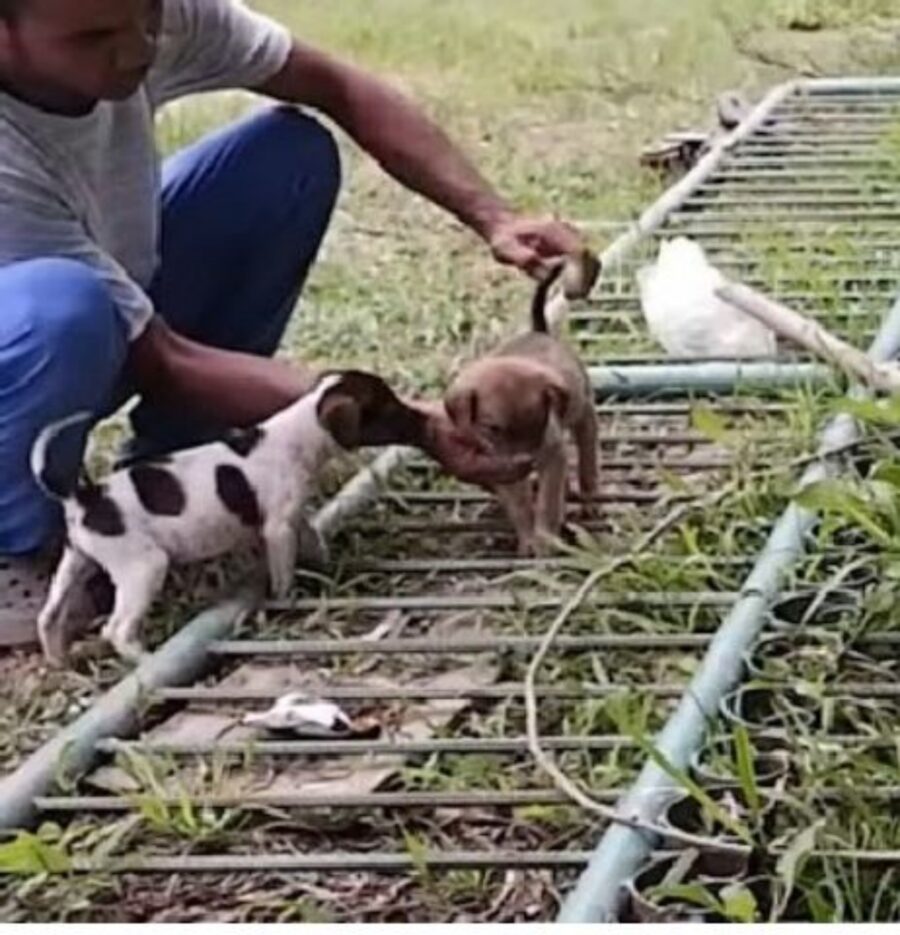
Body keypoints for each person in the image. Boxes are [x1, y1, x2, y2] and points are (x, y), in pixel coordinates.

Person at [0, 0, 590, 644]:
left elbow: (335, 84)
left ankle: (178, 454)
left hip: (95, 295)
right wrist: (412, 423)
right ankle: (18, 546)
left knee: (286, 157)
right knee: (65, 307)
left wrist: (494, 217)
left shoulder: (136, 14)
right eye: (95, 38)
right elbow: (162, 359)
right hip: (38, 332)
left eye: (147, 16)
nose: (140, 47)